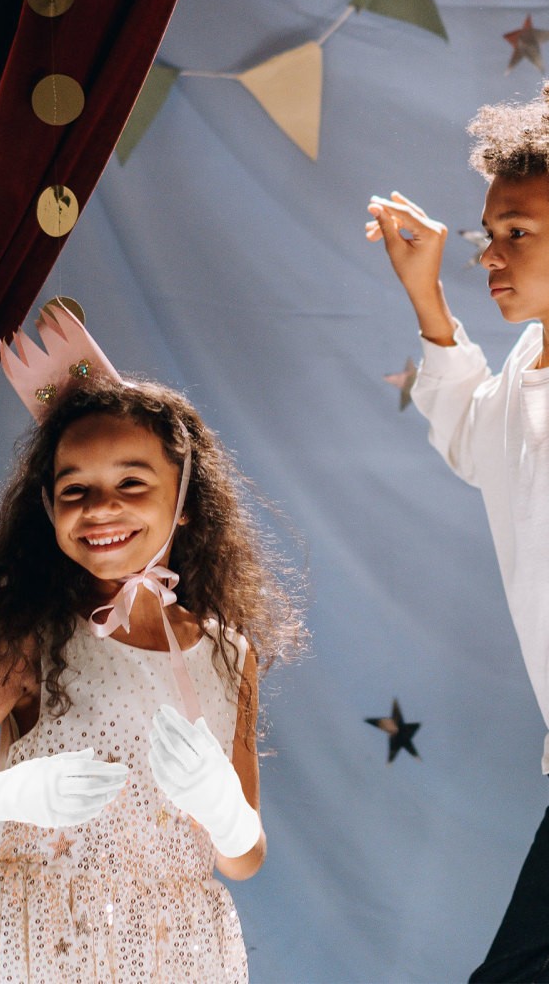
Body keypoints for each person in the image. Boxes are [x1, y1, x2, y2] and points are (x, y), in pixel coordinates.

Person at [0, 304, 304, 983]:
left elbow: (245, 858)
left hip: (173, 954)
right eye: (74, 488)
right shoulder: (30, 635)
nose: (100, 507)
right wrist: (4, 795)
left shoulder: (230, 655)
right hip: (36, 950)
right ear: (48, 507)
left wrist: (223, 810)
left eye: (131, 482)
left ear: (185, 501)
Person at [366, 83, 549, 982]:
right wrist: (427, 294)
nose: (493, 254)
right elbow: (481, 443)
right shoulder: (526, 367)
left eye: (519, 230)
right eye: (489, 233)